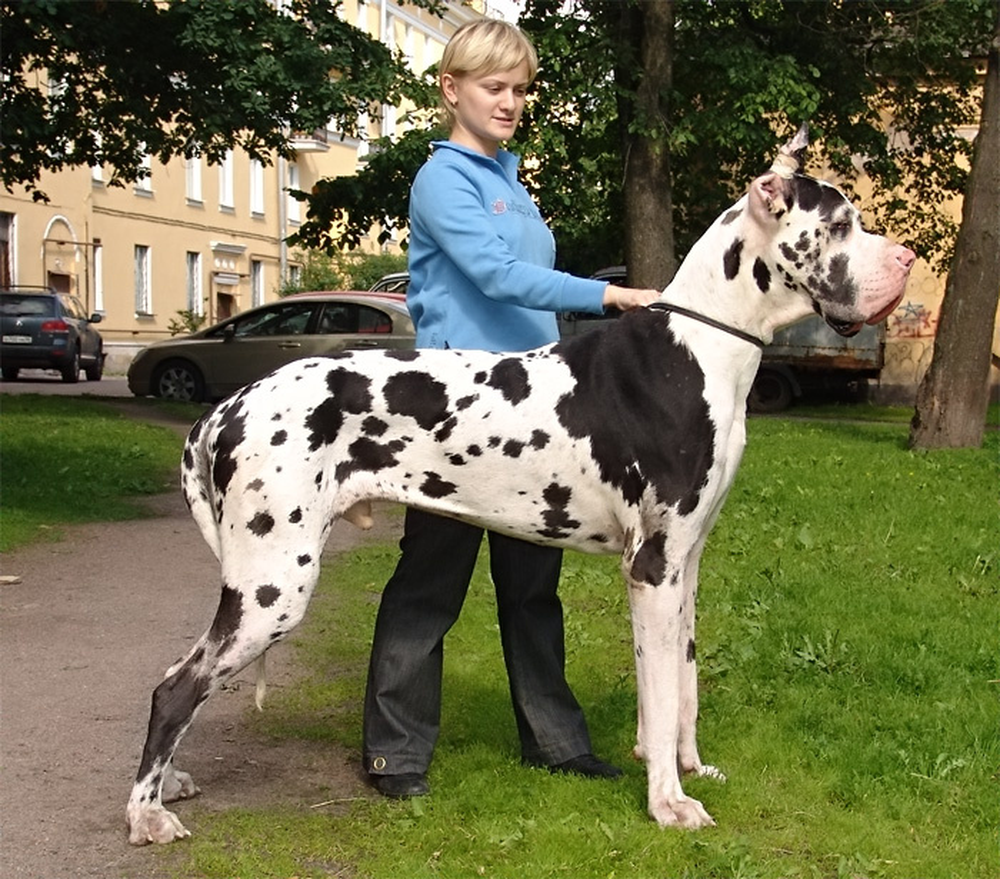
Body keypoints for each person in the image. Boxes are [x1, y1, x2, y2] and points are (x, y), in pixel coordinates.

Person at [362, 18, 660, 799]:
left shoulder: (511, 183)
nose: (511, 101)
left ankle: (556, 744)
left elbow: (519, 280)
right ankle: (396, 753)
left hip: (533, 409)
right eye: (495, 86)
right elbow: (495, 278)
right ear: (450, 88)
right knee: (432, 580)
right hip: (455, 413)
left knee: (533, 585)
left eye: (521, 88)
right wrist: (610, 293)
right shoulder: (444, 179)